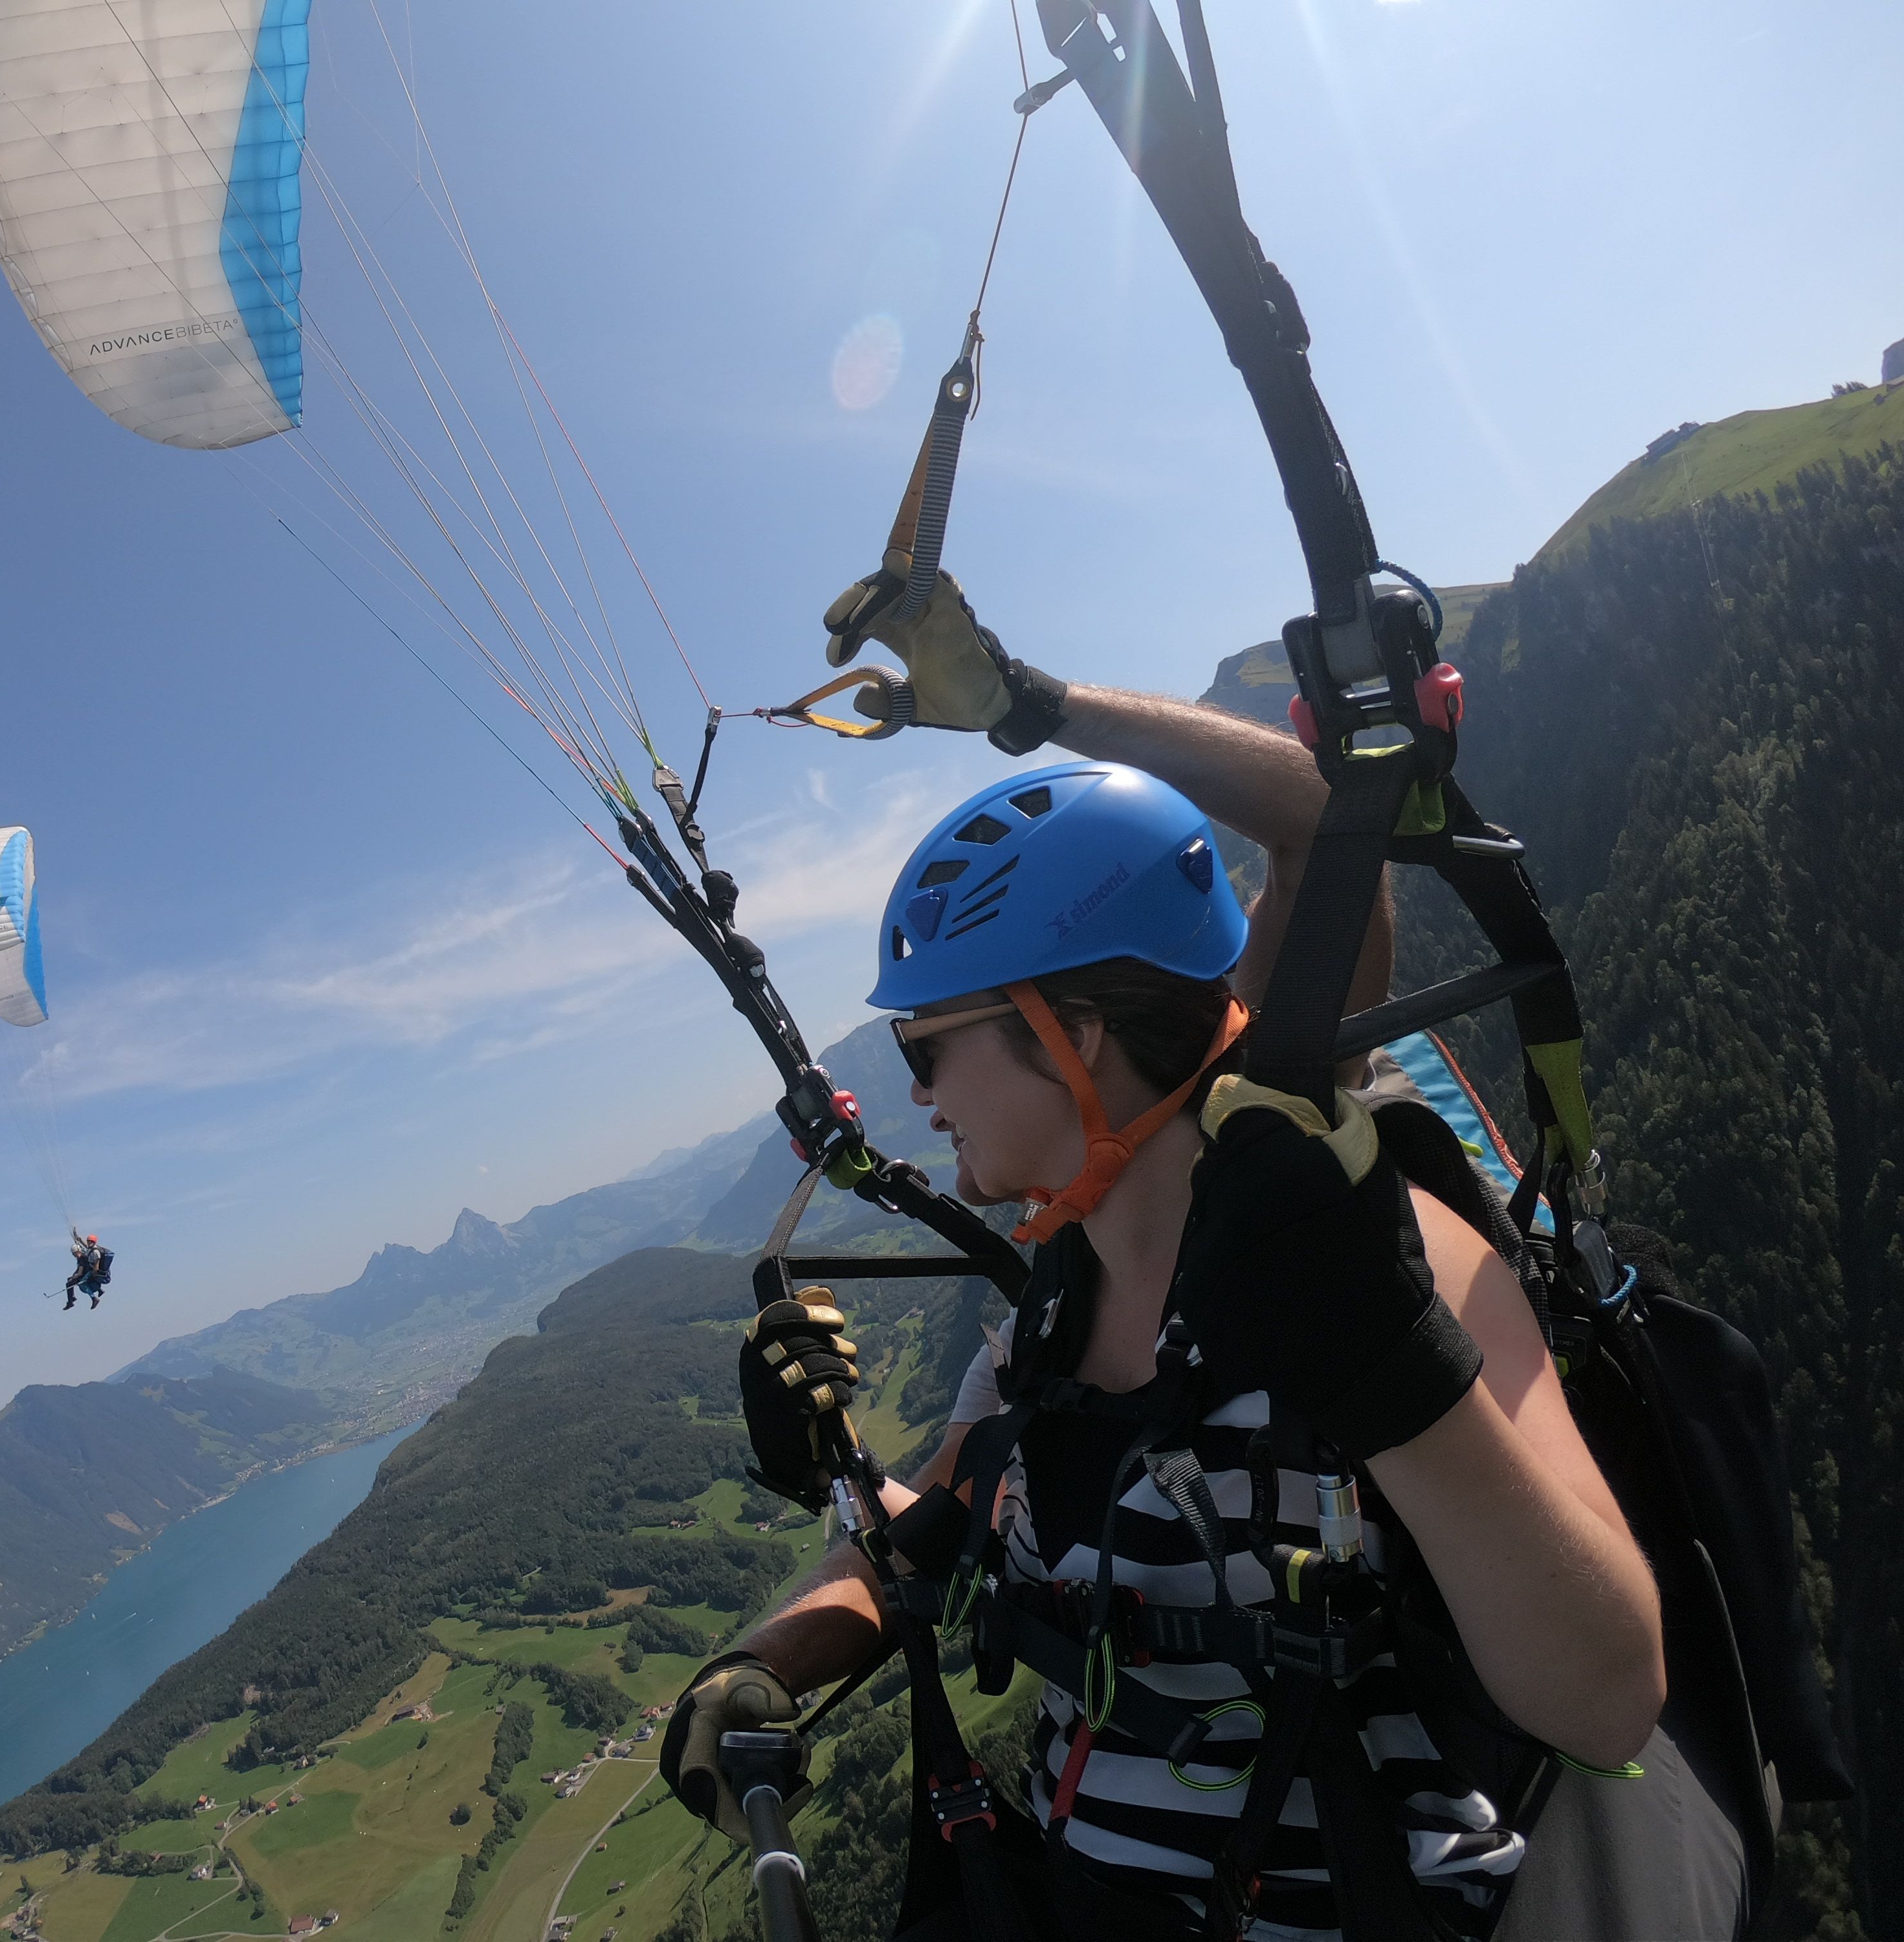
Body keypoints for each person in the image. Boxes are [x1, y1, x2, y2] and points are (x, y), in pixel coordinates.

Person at [661, 592, 1746, 1938]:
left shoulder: (1387, 1254)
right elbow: (930, 1526)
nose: (918, 1094)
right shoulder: (1046, 1323)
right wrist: (769, 1650)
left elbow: (1609, 1697)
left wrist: (1027, 703)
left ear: (1071, 1032)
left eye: (924, 1044)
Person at [63, 1233, 112, 1311]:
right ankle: (99, 1291)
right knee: (70, 1280)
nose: (89, 1243)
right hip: (89, 1271)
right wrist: (80, 1240)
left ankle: (93, 1298)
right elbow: (87, 1247)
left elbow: (95, 1264)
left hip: (92, 1272)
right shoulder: (90, 1250)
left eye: (74, 1253)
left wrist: (93, 1274)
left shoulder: (94, 1253)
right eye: (88, 1241)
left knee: (79, 1283)